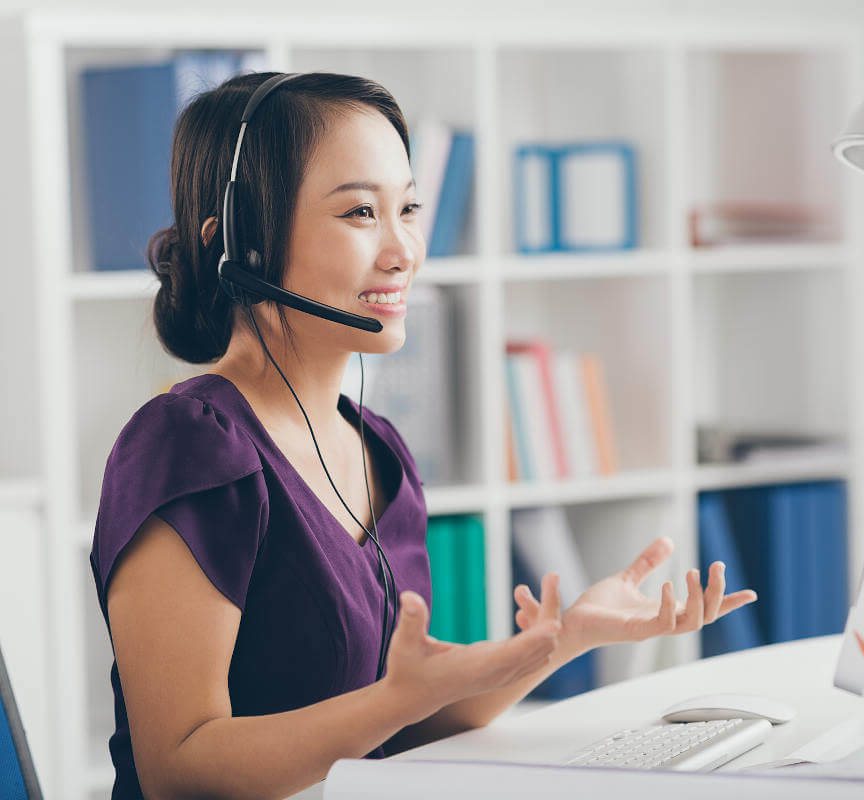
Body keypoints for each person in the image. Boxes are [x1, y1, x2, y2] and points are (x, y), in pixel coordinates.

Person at [88, 71, 758, 800]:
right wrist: (395, 702)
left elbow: (402, 731)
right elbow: (178, 769)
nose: (404, 248)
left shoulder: (379, 452)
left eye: (408, 208)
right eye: (358, 213)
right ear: (241, 245)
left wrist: (567, 637)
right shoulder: (189, 442)